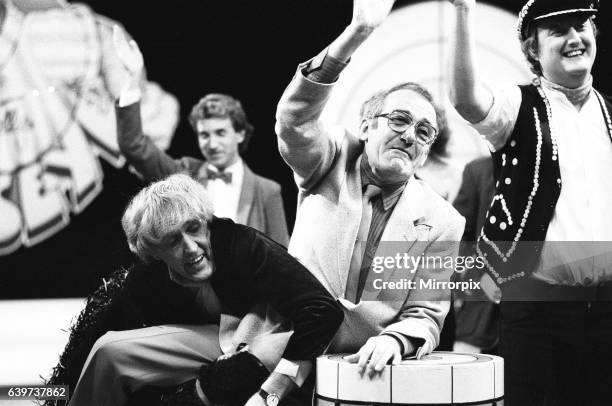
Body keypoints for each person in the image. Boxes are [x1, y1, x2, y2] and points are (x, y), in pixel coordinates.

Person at [275, 0, 464, 378]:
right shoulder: (330, 158)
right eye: (398, 119)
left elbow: (425, 315)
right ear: (365, 127)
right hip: (280, 350)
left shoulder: (444, 221)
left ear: (426, 154)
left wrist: (395, 340)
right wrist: (356, 32)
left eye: (423, 132)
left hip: (362, 375)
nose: (409, 135)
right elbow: (293, 123)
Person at [448, 0, 612, 404]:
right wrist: (463, 11)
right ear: (533, 49)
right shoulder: (516, 106)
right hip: (537, 313)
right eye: (558, 30)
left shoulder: (610, 114)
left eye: (581, 26)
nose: (575, 38)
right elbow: (466, 99)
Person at [68, 174, 343, 406]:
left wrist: (282, 377)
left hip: (262, 340)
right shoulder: (147, 278)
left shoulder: (244, 245)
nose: (191, 247)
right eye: (174, 240)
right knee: (108, 351)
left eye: (194, 228)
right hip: (216, 340)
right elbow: (105, 332)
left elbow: (322, 309)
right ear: (155, 253)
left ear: (206, 221)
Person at [105, 27, 289, 246]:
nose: (212, 144)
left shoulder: (267, 190)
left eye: (221, 133)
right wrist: (133, 79)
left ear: (240, 134)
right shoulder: (183, 174)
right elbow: (133, 146)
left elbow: (281, 256)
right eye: (204, 135)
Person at [451, 156, 499, 354]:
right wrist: (482, 279)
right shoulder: (477, 170)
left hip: (537, 316)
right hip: (479, 316)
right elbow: (458, 240)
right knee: (465, 382)